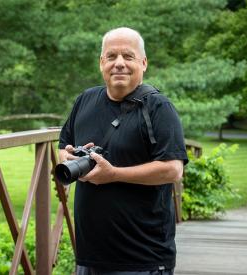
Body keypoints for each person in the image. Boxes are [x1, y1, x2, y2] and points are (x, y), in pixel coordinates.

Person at [58, 27, 189, 275]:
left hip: (141, 258)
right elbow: (62, 148)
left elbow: (173, 170)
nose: (119, 64)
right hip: (90, 256)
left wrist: (114, 174)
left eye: (128, 57)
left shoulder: (158, 107)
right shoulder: (85, 100)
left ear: (143, 62)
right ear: (101, 63)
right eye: (111, 56)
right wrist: (70, 157)